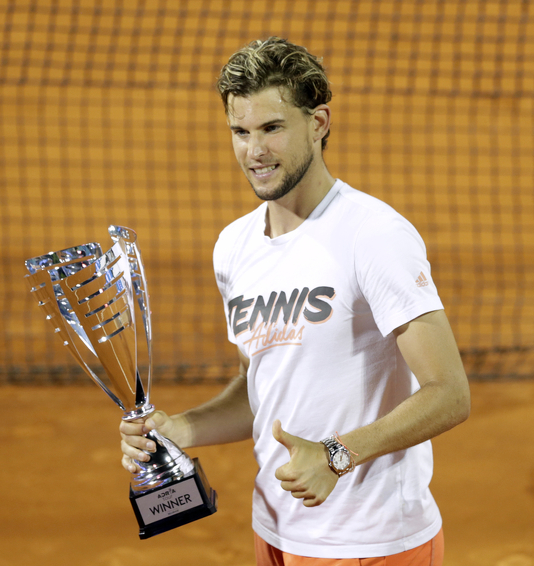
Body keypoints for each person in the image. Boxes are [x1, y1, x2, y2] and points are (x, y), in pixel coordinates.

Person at [120, 37, 470, 565]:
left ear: (319, 122)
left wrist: (335, 456)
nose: (254, 151)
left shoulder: (372, 235)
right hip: (277, 533)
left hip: (371, 542)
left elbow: (450, 393)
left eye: (271, 129)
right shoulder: (233, 247)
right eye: (240, 132)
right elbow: (262, 387)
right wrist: (179, 428)